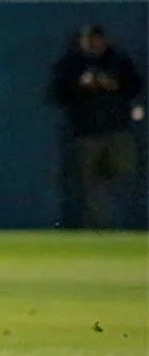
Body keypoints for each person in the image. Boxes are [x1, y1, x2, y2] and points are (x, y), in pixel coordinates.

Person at [50, 24, 145, 228]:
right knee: (91, 185)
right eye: (89, 39)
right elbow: (58, 95)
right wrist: (79, 85)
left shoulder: (118, 61)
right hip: (86, 132)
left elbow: (135, 87)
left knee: (124, 174)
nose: (93, 43)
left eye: (96, 38)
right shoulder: (73, 64)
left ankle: (130, 224)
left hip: (117, 129)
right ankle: (98, 228)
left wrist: (113, 84)